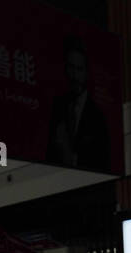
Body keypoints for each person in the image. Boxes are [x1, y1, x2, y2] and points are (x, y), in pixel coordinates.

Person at [46, 34, 110, 172]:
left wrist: (70, 157)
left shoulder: (97, 117)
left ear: (87, 72)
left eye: (79, 69)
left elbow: (104, 162)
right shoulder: (58, 106)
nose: (74, 75)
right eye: (71, 67)